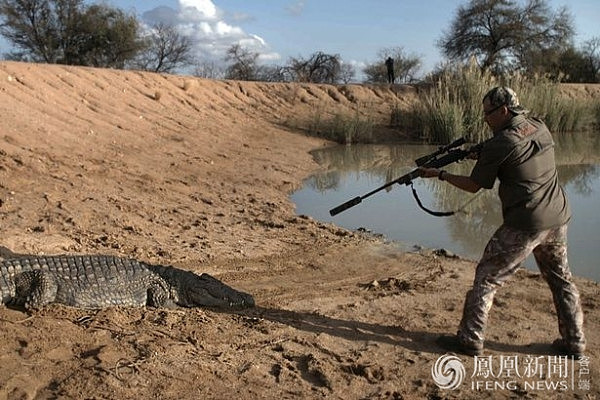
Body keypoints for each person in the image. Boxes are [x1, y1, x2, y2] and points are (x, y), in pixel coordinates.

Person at [419, 87, 586, 358]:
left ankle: (470, 340)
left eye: (488, 113)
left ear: (503, 111)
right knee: (561, 279)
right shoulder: (539, 126)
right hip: (557, 216)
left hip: (526, 222)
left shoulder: (500, 144)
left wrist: (440, 174)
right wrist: (481, 153)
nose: (485, 119)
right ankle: (575, 342)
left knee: (487, 276)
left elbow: (474, 185)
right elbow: (518, 150)